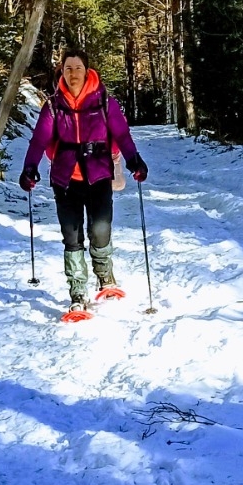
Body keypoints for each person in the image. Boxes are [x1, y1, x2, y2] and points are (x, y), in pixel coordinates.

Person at [19, 48, 148, 319]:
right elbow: (39, 140)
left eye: (77, 68)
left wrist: (135, 161)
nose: (73, 73)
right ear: (61, 73)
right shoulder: (54, 106)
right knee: (72, 236)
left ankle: (105, 277)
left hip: (99, 173)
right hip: (65, 179)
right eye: (68, 68)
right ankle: (78, 293)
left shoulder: (104, 103)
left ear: (87, 71)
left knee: (100, 231)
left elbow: (122, 135)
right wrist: (29, 168)